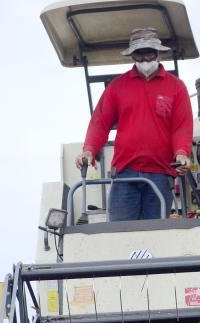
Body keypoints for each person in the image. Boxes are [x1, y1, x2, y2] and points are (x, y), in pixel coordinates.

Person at [75, 27, 193, 221]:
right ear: (132, 56)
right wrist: (89, 150)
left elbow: (181, 126)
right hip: (124, 174)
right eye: (139, 53)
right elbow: (100, 122)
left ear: (159, 54)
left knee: (156, 235)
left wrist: (181, 152)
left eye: (149, 52)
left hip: (161, 173)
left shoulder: (176, 87)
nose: (145, 58)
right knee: (119, 234)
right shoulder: (117, 86)